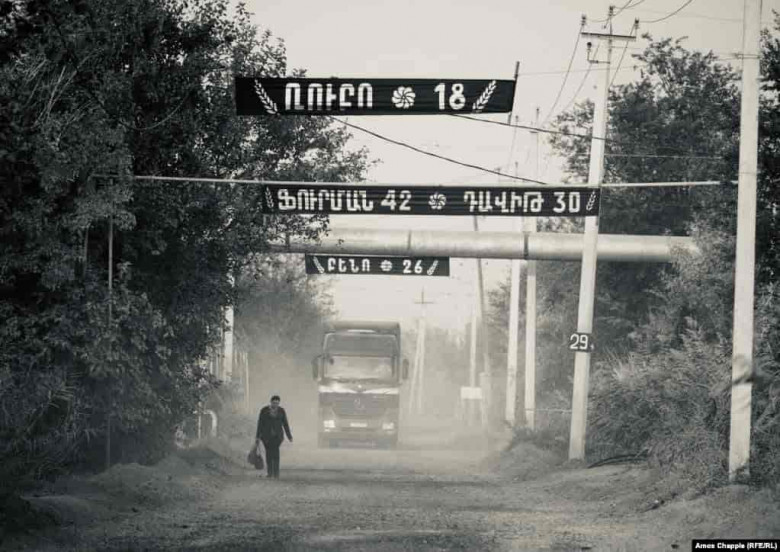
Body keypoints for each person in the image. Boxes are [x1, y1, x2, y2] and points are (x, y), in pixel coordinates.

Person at [255, 395, 293, 479]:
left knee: (276, 454)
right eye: (274, 403)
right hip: (266, 436)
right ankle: (270, 473)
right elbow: (260, 424)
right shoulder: (264, 410)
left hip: (277, 436)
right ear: (271, 402)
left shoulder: (281, 411)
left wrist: (289, 436)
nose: (275, 405)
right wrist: (257, 436)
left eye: (277, 403)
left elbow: (285, 424)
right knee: (269, 454)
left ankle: (276, 473)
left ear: (279, 403)